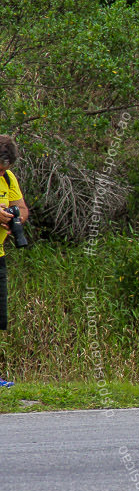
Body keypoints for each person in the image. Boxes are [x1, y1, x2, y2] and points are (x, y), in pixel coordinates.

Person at [0, 135, 29, 388]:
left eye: (4, 169)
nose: (1, 172)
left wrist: (13, 221)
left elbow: (22, 208)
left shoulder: (8, 179)